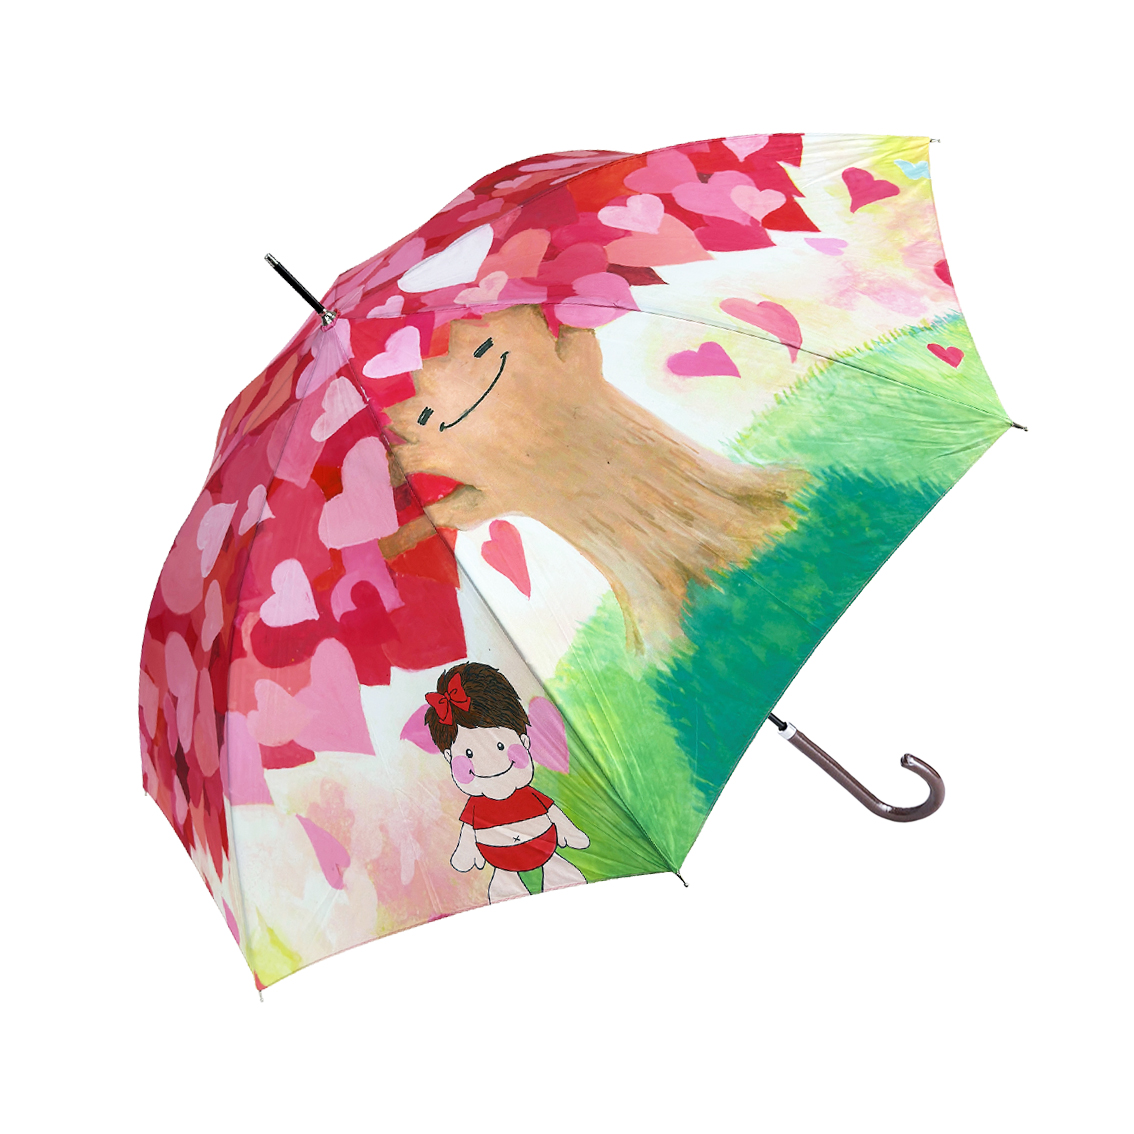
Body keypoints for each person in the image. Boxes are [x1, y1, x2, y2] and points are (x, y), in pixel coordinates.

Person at [423, 661, 589, 903]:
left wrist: (569, 832)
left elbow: (553, 813)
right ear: (449, 757)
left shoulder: (529, 796)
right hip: (500, 861)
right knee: (506, 892)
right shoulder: (477, 806)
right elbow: (468, 832)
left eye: (500, 746)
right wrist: (466, 851)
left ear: (524, 741)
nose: (489, 764)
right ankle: (507, 886)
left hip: (545, 848)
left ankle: (558, 875)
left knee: (565, 884)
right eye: (468, 754)